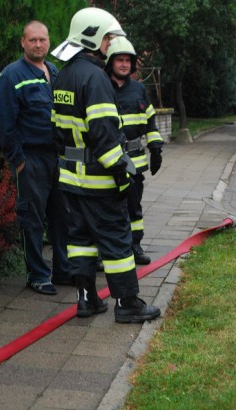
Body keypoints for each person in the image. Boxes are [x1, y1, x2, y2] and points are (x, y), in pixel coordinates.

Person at [51, 7, 161, 323]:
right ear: (94, 35)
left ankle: (86, 301)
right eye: (108, 36)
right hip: (100, 184)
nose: (110, 43)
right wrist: (121, 174)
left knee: (81, 242)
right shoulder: (95, 77)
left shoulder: (64, 75)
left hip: (71, 182)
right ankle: (128, 304)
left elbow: (55, 131)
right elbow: (104, 133)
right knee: (117, 243)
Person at [0, 20, 69, 295]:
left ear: (49, 42)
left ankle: (63, 269)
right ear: (23, 43)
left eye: (43, 40)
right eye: (33, 40)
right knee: (32, 218)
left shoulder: (54, 71)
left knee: (62, 217)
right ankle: (37, 275)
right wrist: (18, 160)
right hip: (31, 158)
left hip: (57, 158)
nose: (38, 44)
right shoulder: (11, 76)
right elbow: (4, 123)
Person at [105, 36, 164, 265]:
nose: (124, 64)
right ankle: (107, 249)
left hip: (135, 161)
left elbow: (150, 120)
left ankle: (135, 245)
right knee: (109, 206)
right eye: (119, 60)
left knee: (134, 206)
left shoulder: (139, 89)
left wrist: (156, 148)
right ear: (111, 62)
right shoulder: (100, 86)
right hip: (109, 160)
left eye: (128, 61)